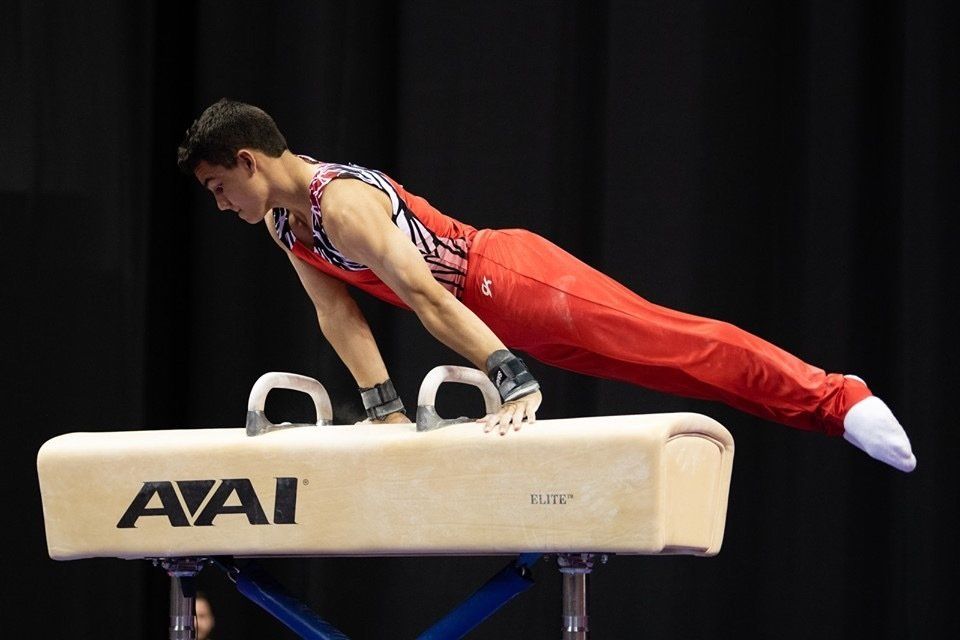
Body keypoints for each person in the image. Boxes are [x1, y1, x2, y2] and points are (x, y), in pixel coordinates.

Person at [177, 98, 916, 473]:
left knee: (672, 341)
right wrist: (386, 411)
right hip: (495, 318)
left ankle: (836, 399)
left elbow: (430, 298)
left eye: (217, 186)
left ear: (248, 160)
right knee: (666, 369)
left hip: (511, 282)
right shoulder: (285, 224)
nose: (219, 204)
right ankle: (822, 413)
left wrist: (510, 379)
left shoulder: (341, 204)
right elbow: (338, 314)